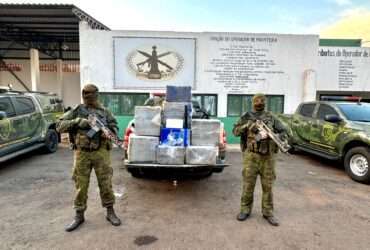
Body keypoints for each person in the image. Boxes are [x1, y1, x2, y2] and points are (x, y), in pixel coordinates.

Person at [57, 84, 121, 232]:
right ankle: (79, 215)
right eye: (85, 94)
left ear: (97, 95)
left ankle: (110, 212)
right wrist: (78, 122)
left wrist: (109, 132)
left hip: (101, 153)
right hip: (82, 153)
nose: (88, 97)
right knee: (81, 185)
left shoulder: (105, 112)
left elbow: (114, 127)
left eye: (90, 94)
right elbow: (59, 126)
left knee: (105, 183)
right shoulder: (77, 110)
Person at [232, 93, 287, 226]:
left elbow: (285, 131)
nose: (259, 103)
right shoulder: (246, 116)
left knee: (268, 186)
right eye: (257, 101)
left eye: (261, 101)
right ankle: (245, 210)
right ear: (253, 102)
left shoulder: (272, 117)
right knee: (248, 185)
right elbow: (235, 131)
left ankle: (268, 212)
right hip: (251, 156)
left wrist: (275, 136)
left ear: (265, 103)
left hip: (268, 157)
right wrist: (248, 126)